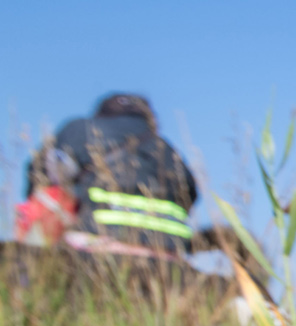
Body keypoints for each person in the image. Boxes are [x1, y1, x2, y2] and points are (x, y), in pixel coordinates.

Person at [45, 93, 200, 257]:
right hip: (168, 250)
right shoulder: (167, 148)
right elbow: (190, 194)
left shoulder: (80, 129)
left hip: (95, 239)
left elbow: (43, 175)